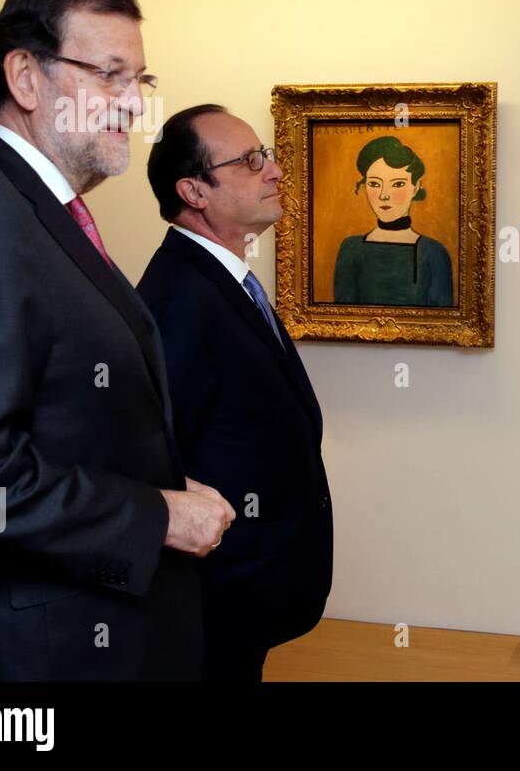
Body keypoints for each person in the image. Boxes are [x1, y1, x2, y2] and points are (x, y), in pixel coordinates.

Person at [0, 0, 234, 681]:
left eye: (140, 81)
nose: (133, 106)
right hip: (31, 660)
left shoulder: (41, 213)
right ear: (26, 76)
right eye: (109, 75)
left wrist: (169, 489)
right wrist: (157, 516)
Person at [139, 104, 332, 681]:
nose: (273, 170)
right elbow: (161, 460)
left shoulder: (225, 280)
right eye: (250, 161)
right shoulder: (180, 299)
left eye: (266, 156)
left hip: (247, 592)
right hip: (215, 595)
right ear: (194, 190)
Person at [331, 135, 454, 306]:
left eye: (397, 184)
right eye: (374, 184)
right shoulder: (351, 249)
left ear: (416, 187)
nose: (384, 195)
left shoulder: (433, 253)